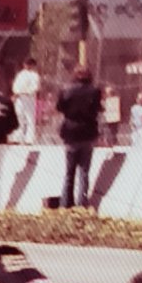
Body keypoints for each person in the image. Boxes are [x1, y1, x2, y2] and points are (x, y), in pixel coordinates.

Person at [56, 64, 102, 209]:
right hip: (87, 132)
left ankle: (65, 203)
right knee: (84, 171)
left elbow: (60, 107)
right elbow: (97, 109)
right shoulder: (95, 91)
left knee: (69, 172)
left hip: (70, 132)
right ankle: (82, 203)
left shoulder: (66, 90)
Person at [11, 57, 40, 145]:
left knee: (30, 118)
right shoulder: (20, 74)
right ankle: (17, 138)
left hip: (29, 97)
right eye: (25, 64)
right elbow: (15, 86)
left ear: (32, 65)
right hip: (19, 97)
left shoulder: (35, 75)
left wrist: (27, 91)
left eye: (28, 64)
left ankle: (29, 139)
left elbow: (35, 87)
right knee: (19, 117)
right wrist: (16, 93)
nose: (26, 66)